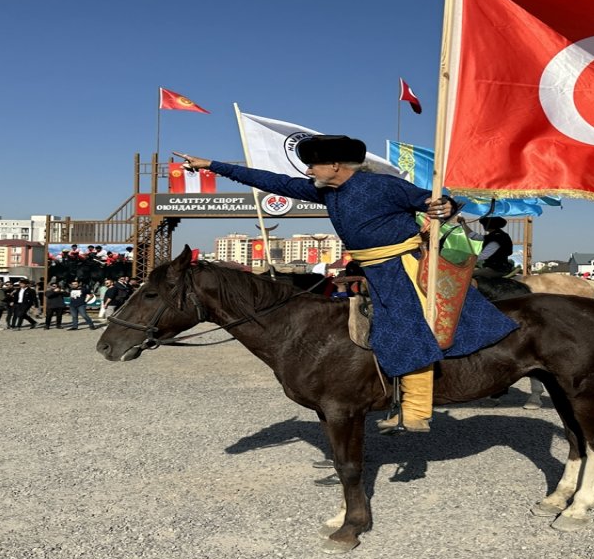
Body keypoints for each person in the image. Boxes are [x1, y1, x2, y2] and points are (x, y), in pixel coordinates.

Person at [178, 136, 517, 434]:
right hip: (370, 270)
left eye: (313, 165)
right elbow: (272, 181)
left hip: (402, 268)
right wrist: (212, 165)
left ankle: (416, 411)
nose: (309, 171)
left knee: (404, 327)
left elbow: (433, 201)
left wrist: (442, 204)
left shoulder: (382, 186)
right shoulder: (325, 192)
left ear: (335, 165)